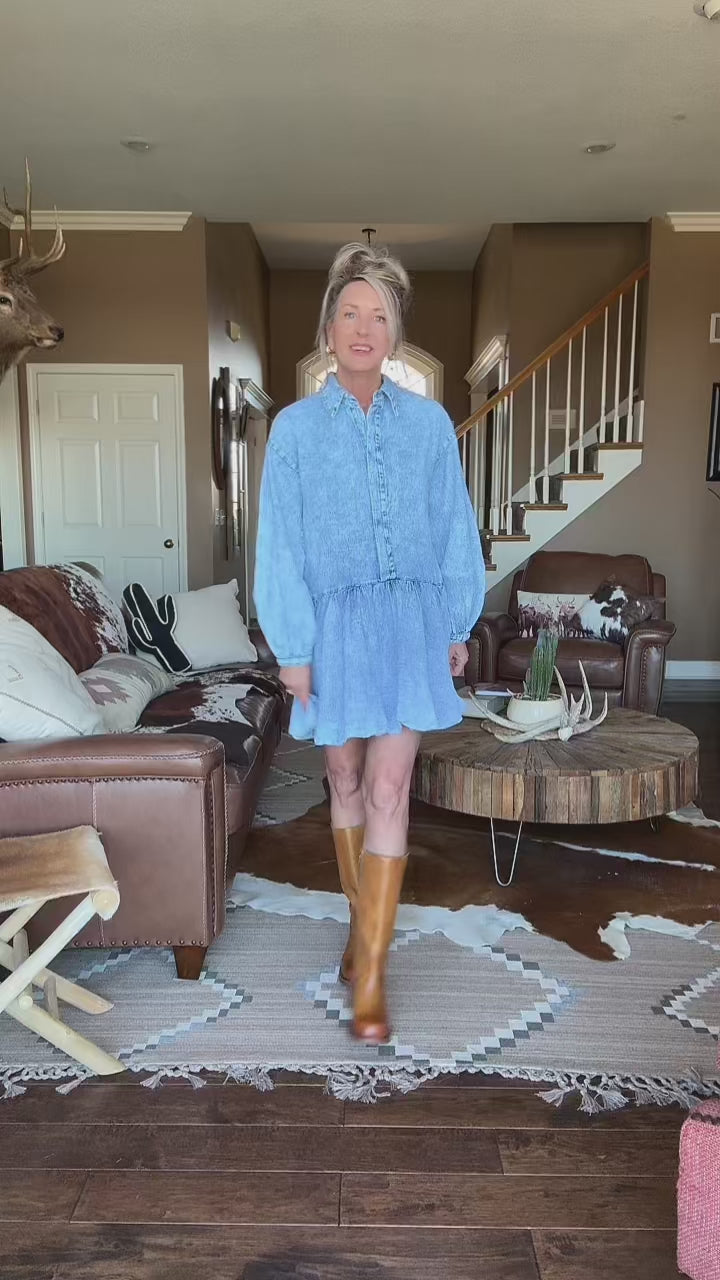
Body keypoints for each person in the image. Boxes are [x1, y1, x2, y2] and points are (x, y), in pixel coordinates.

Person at [254, 243, 485, 1043]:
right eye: (349, 313)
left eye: (378, 316)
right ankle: (361, 932)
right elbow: (279, 546)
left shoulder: (429, 425)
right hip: (331, 635)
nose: (363, 327)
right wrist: (292, 648)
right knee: (344, 780)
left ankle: (373, 976)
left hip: (411, 629)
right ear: (328, 329)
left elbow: (455, 527)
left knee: (390, 788)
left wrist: (455, 624)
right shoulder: (292, 431)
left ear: (394, 334)